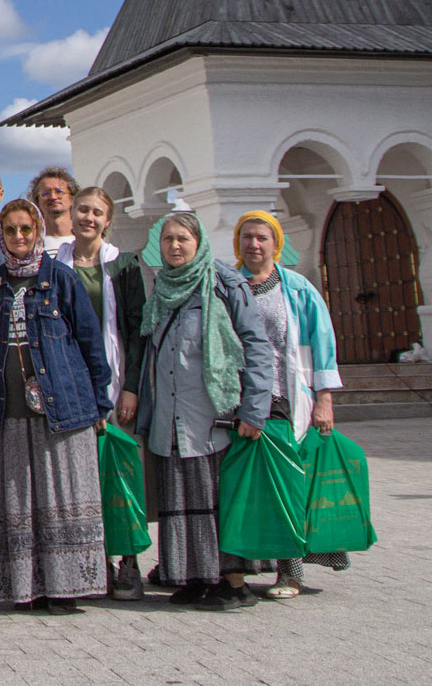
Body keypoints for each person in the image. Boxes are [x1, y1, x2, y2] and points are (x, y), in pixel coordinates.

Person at [136, 210, 274, 611]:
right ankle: (195, 576)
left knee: (218, 499)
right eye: (167, 240)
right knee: (181, 498)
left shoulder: (225, 283)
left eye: (183, 239)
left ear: (199, 243)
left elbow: (256, 345)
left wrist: (254, 408)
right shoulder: (161, 287)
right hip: (171, 415)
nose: (175, 246)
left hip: (215, 415)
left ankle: (233, 583)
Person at [0, 198, 111, 613]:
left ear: (38, 232)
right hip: (10, 409)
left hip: (64, 409)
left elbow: (91, 342)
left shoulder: (61, 278)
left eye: (26, 229)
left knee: (62, 497)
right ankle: (25, 587)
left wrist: (100, 402)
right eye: (10, 230)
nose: (19, 237)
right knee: (20, 500)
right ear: (0, 235)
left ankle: (65, 589)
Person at [231, 210, 346, 599]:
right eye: (247, 237)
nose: (254, 244)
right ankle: (238, 570)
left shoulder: (296, 288)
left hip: (286, 398)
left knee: (287, 487)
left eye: (262, 237)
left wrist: (324, 400)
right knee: (246, 490)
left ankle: (290, 572)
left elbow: (322, 343)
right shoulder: (229, 286)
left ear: (275, 242)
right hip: (239, 402)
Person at [55, 186, 148, 600]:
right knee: (83, 474)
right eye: (82, 210)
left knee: (123, 472)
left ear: (108, 220)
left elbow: (139, 329)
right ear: (70, 213)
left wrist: (130, 388)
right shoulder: (55, 262)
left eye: (97, 212)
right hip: (69, 378)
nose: (88, 218)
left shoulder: (123, 265)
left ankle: (129, 561)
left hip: (114, 372)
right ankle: (96, 562)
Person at [28, 167, 79, 260]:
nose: (53, 197)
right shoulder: (30, 245)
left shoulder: (83, 241)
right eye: (45, 193)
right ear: (37, 202)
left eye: (59, 192)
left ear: (72, 198)